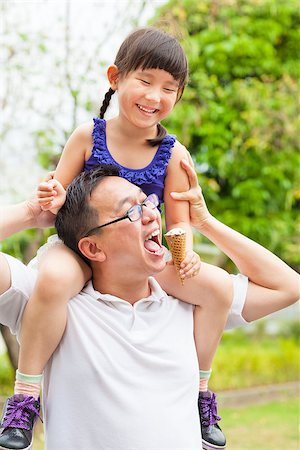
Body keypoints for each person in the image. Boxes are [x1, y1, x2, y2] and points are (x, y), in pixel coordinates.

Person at [1, 27, 235, 450]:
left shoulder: (174, 154)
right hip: (81, 248)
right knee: (52, 281)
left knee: (217, 287)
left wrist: (185, 254)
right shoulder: (89, 137)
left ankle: (200, 392)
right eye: (145, 81)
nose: (155, 96)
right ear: (116, 78)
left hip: (142, 253)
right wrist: (51, 193)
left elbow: (178, 222)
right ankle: (25, 397)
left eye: (169, 88)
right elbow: (59, 198)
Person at [0, 164, 298, 450]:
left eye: (148, 202)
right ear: (92, 248)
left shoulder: (190, 302)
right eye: (131, 211)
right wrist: (29, 214)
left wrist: (205, 222)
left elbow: (287, 286)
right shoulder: (49, 303)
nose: (152, 216)